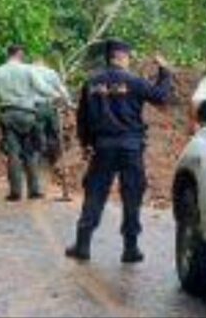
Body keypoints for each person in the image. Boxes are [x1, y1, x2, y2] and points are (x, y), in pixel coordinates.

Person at [66, 40, 171, 263]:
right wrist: (164, 71)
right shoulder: (134, 82)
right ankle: (130, 248)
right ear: (122, 57)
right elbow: (161, 96)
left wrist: (86, 144)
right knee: (132, 196)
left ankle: (83, 245)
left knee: (95, 194)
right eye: (129, 57)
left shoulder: (91, 82)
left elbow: (82, 118)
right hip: (131, 147)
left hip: (103, 147)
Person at [0, 45, 60, 201]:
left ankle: (15, 192)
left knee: (13, 153)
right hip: (28, 114)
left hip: (8, 115)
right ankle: (34, 190)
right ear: (20, 54)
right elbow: (42, 88)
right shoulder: (28, 70)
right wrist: (57, 96)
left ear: (8, 54)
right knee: (30, 152)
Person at [32, 58, 72, 165]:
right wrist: (68, 103)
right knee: (53, 132)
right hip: (50, 107)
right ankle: (53, 159)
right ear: (44, 64)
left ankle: (39, 158)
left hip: (35, 108)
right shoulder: (51, 73)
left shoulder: (29, 73)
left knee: (37, 132)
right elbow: (61, 89)